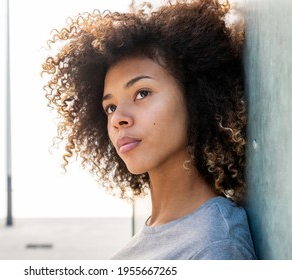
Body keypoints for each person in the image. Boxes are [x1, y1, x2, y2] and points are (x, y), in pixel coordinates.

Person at [41, 0, 256, 260]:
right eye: (109, 107)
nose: (118, 118)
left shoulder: (212, 248)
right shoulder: (162, 234)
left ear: (195, 98)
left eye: (142, 93)